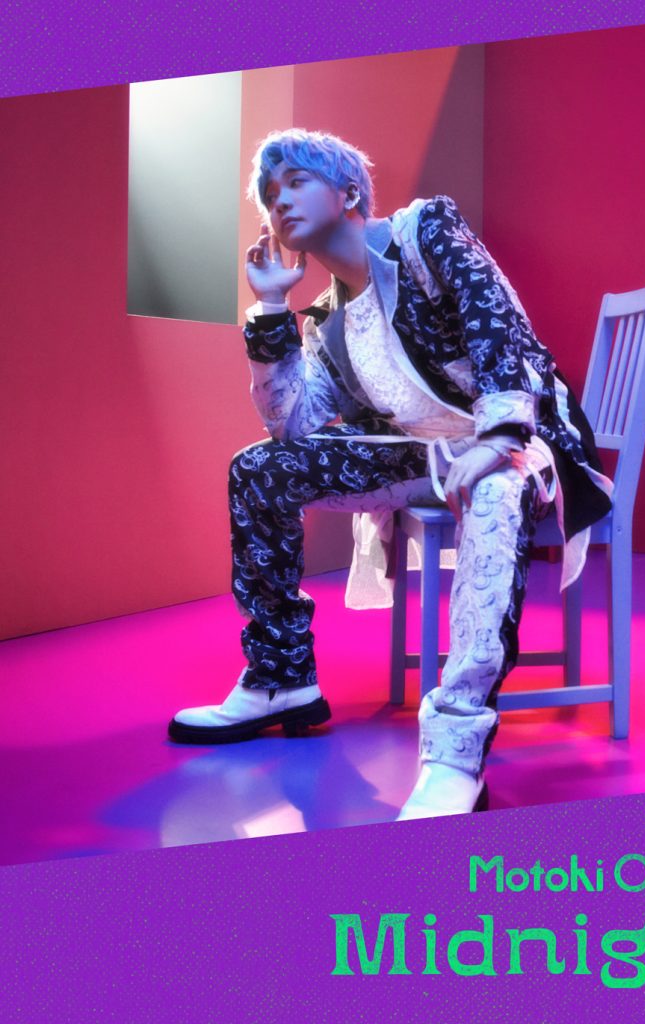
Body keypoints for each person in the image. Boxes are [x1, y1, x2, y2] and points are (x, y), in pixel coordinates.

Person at [168, 128, 613, 820]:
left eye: (295, 181)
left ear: (348, 191)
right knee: (260, 470)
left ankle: (455, 751)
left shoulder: (423, 231)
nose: (278, 200)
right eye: (269, 192)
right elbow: (293, 426)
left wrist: (498, 436)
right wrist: (271, 309)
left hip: (521, 432)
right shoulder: (328, 320)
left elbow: (494, 319)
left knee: (496, 486)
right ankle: (281, 678)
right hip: (422, 452)